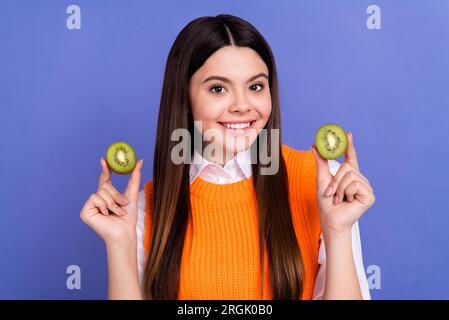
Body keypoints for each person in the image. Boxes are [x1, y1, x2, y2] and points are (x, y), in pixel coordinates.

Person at [80, 14, 375, 300]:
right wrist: (119, 243)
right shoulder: (148, 206)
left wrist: (337, 231)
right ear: (185, 97)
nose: (242, 106)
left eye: (256, 86)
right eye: (218, 89)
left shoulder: (322, 184)